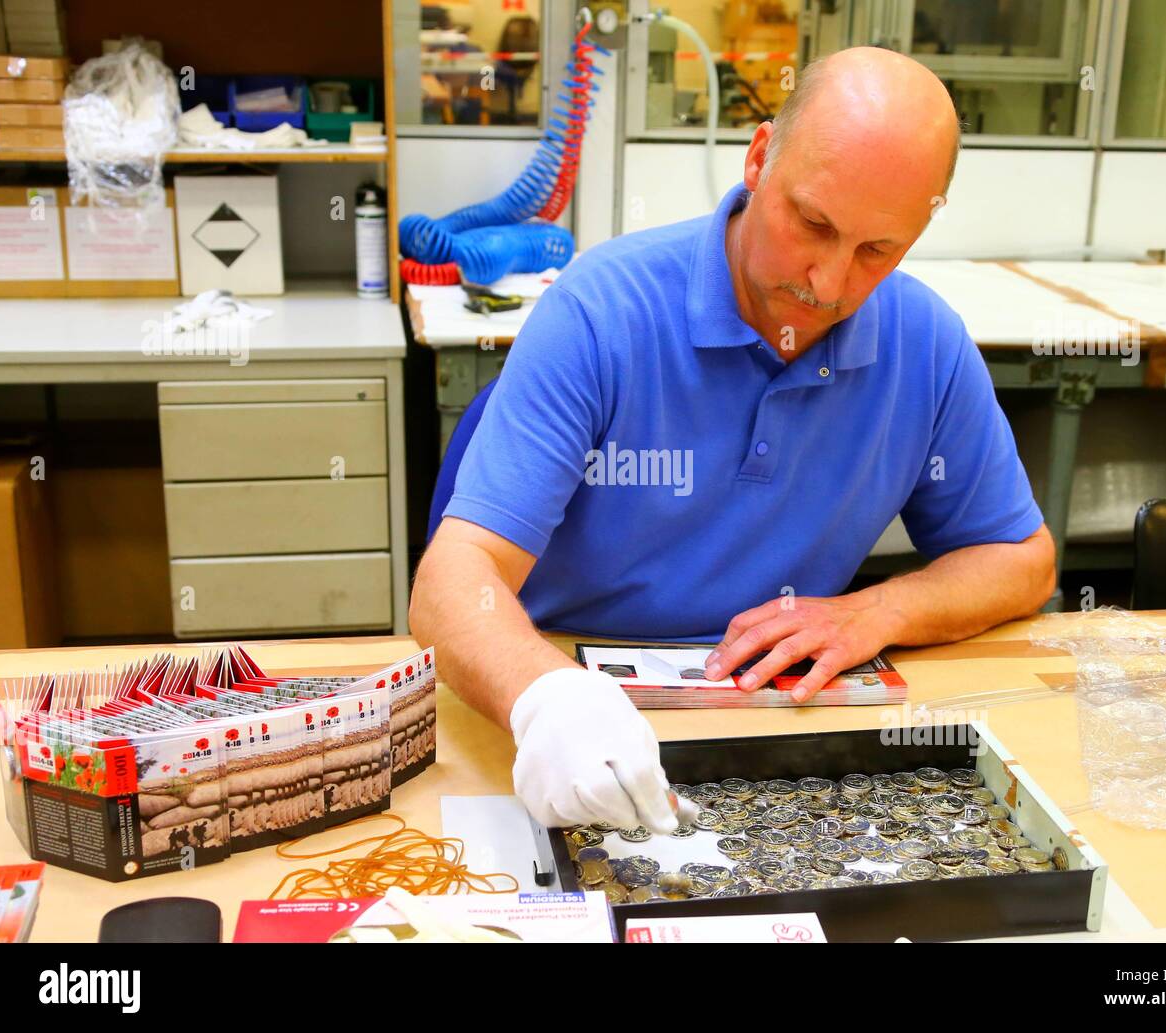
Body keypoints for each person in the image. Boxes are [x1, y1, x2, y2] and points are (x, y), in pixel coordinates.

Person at [410, 47, 1055, 835]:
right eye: (812, 223)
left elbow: (1021, 560)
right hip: (553, 716)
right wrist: (551, 701)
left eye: (876, 251)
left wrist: (878, 610)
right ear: (758, 158)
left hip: (773, 727)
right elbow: (452, 584)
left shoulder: (925, 344)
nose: (828, 283)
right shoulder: (601, 312)